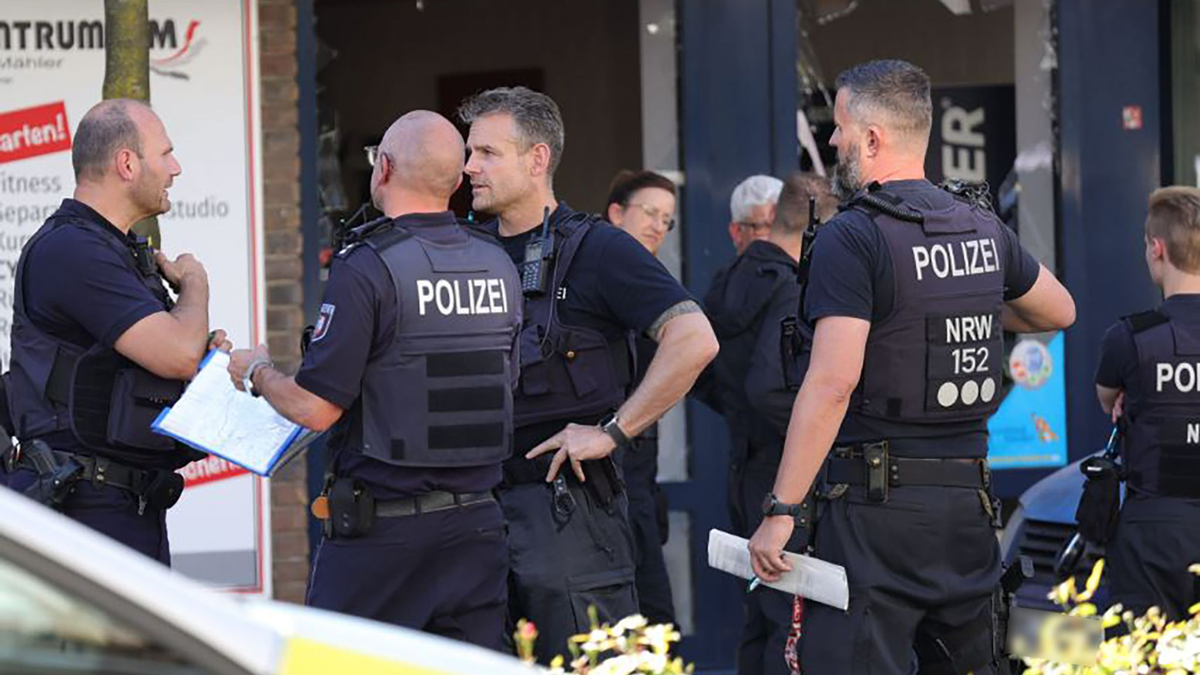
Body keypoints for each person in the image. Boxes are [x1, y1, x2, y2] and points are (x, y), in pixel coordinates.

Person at [747, 60, 1076, 675]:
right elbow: (1060, 310)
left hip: (877, 516)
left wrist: (780, 512)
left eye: (841, 128)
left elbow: (832, 383)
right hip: (969, 515)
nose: (834, 141)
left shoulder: (855, 235)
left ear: (873, 138)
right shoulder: (980, 225)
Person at [227, 110, 521, 650]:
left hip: (384, 539)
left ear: (382, 168)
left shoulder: (367, 267)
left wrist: (257, 372)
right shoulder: (498, 264)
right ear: (457, 182)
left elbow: (316, 409)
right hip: (477, 527)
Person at [458, 87, 718, 662]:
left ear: (538, 158)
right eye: (468, 152)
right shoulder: (461, 252)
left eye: (486, 153)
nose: (469, 166)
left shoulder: (598, 248)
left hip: (568, 517)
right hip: (472, 513)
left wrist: (612, 431)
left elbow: (694, 339)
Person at [2, 99, 227, 563]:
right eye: (165, 154)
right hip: (84, 510)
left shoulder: (113, 250)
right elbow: (176, 354)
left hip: (124, 503)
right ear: (127, 163)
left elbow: (158, 362)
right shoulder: (73, 250)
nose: (176, 168)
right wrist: (196, 287)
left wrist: (205, 358)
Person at [728, 172, 836, 675]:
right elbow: (767, 387)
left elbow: (714, 374)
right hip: (784, 481)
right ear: (820, 225)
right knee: (791, 626)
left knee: (761, 616)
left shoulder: (731, 278)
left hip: (746, 465)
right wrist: (816, 432)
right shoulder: (795, 287)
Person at [1095, 186, 1200, 621]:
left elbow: (1107, 402)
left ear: (1157, 249)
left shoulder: (1129, 337)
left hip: (1153, 538)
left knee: (1145, 661)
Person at [605, 169, 679, 626]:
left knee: (654, 616)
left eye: (667, 220)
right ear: (616, 213)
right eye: (649, 212)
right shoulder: (595, 277)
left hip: (641, 473)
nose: (658, 226)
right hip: (603, 468)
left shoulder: (658, 284)